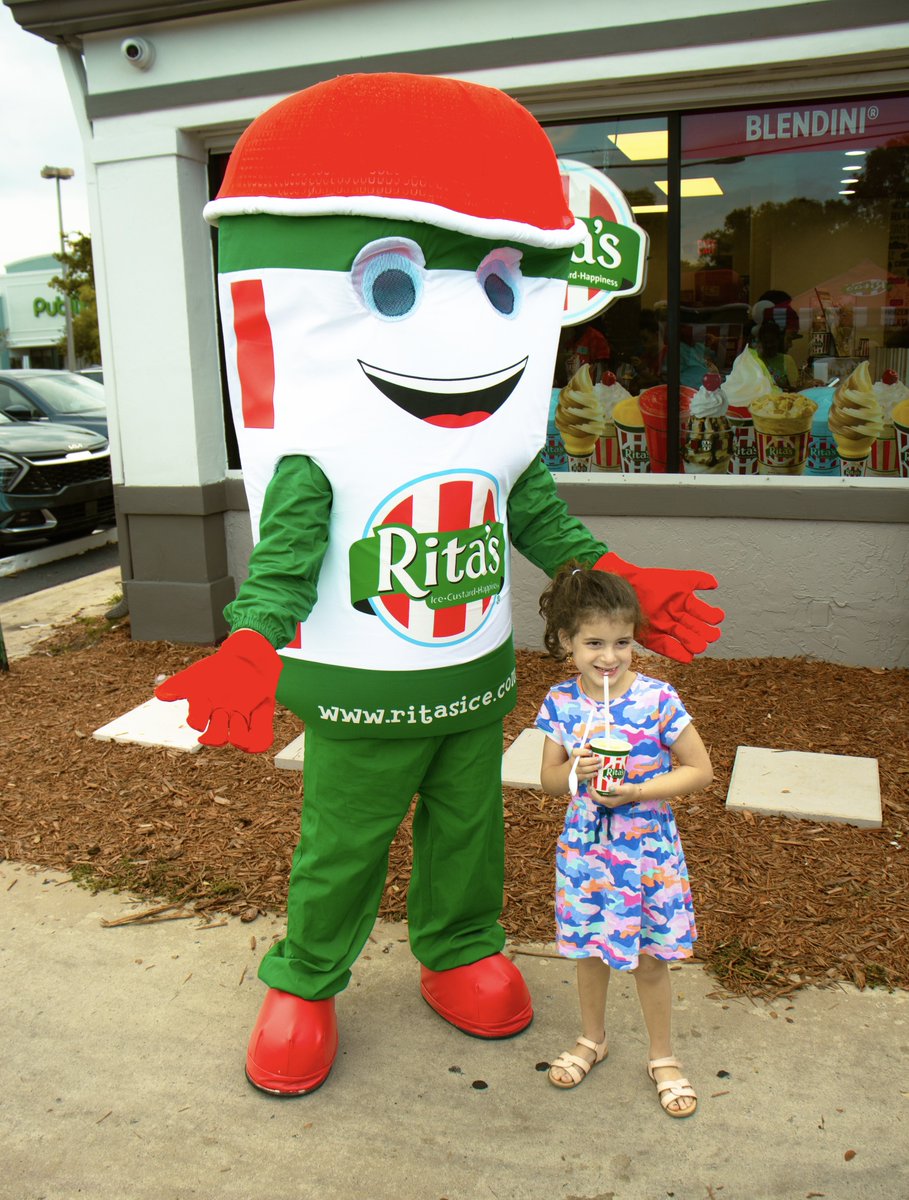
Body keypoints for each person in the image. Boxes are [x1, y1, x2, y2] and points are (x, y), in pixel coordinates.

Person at [155, 73, 725, 1098]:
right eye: (395, 285)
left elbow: (542, 523)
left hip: (470, 687)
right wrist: (249, 645)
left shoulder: (505, 445)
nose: (468, 328)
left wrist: (620, 584)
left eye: (503, 286)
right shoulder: (319, 444)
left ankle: (458, 946)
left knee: (468, 834)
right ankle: (307, 980)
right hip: (359, 696)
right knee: (343, 848)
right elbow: (284, 561)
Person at [535, 565, 714, 1118]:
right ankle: (594, 1038)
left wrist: (638, 789)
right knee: (590, 952)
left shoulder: (658, 698)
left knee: (649, 958)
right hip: (587, 851)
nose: (609, 657)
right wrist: (575, 772)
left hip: (647, 853)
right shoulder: (563, 703)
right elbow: (547, 779)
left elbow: (700, 770)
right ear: (567, 641)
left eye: (622, 641)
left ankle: (662, 1055)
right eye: (593, 643)